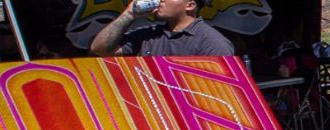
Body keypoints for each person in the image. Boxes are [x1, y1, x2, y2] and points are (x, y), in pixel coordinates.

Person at [90, 0, 233, 57]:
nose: (160, 1)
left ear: (190, 5)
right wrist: (128, 15)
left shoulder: (212, 42)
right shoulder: (149, 34)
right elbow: (100, 48)